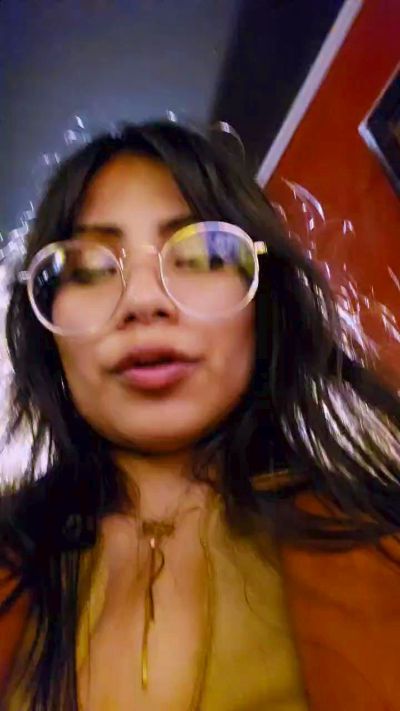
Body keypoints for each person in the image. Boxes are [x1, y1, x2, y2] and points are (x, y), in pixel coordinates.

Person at [0, 121, 399, 711]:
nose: (143, 302)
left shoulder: (379, 540)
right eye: (88, 268)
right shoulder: (12, 557)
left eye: (203, 254)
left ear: (263, 301)